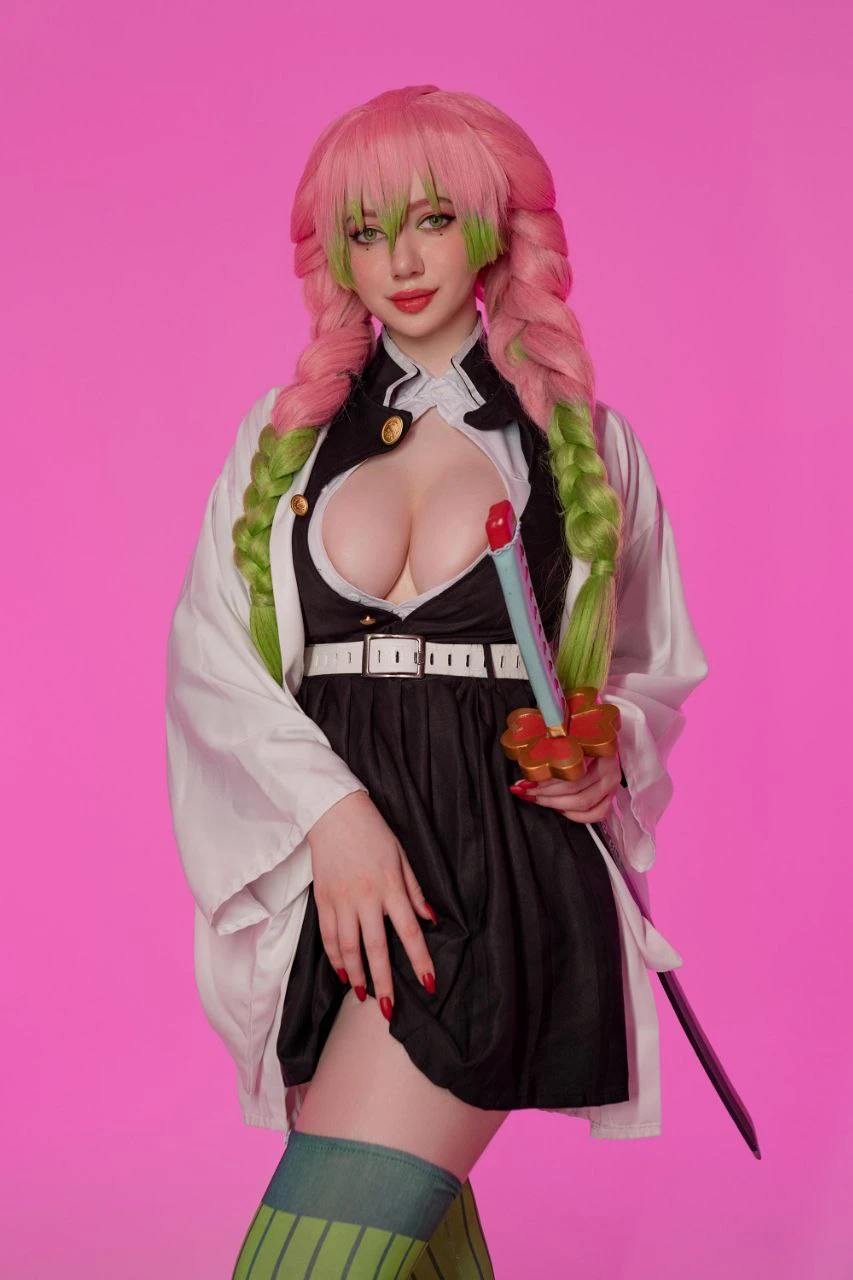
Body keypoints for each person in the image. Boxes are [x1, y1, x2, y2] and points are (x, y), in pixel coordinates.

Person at [165, 84, 709, 1279]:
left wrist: (607, 739)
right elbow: (211, 658)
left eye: (430, 219)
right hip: (335, 880)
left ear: (492, 228)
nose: (401, 262)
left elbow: (646, 667)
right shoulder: (283, 443)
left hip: (495, 867)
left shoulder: (585, 446)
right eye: (366, 231)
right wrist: (334, 815)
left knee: (305, 1260)